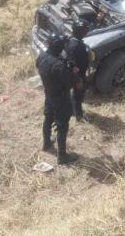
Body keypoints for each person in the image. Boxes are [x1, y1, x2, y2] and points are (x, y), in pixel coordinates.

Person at [37, 34, 78, 165]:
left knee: (48, 117)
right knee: (62, 125)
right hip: (61, 97)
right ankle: (62, 156)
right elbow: (69, 84)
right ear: (59, 48)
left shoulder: (41, 57)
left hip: (49, 94)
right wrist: (73, 73)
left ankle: (46, 143)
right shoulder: (58, 66)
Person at [65, 20, 90, 122]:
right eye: (84, 31)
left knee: (77, 94)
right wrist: (78, 79)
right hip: (78, 75)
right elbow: (72, 65)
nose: (86, 32)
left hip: (79, 74)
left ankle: (73, 111)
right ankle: (78, 116)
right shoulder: (75, 46)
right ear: (80, 31)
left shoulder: (72, 41)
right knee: (78, 95)